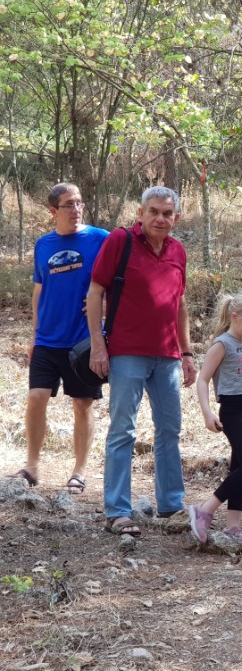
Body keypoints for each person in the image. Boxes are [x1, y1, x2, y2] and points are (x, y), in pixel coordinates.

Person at [86, 186, 198, 537]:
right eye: (154, 211)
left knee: (170, 431)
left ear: (176, 218)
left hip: (166, 356)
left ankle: (171, 505)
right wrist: (97, 347)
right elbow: (94, 292)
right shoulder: (120, 241)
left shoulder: (178, 250)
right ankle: (117, 511)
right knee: (123, 430)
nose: (160, 218)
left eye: (167, 213)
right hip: (126, 352)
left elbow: (180, 305)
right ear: (141, 213)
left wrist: (187, 352)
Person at [19, 183, 109, 492]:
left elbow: (121, 278)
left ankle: (79, 471)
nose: (76, 209)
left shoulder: (101, 239)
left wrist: (108, 303)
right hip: (47, 339)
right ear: (53, 211)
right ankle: (31, 466)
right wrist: (34, 334)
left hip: (84, 339)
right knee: (36, 398)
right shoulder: (43, 244)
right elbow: (39, 289)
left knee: (83, 404)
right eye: (69, 204)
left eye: (79, 203)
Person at [188, 291, 242, 549]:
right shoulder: (222, 344)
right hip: (232, 412)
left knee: (239, 468)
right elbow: (203, 378)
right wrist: (206, 412)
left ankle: (233, 525)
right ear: (234, 317)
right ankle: (204, 510)